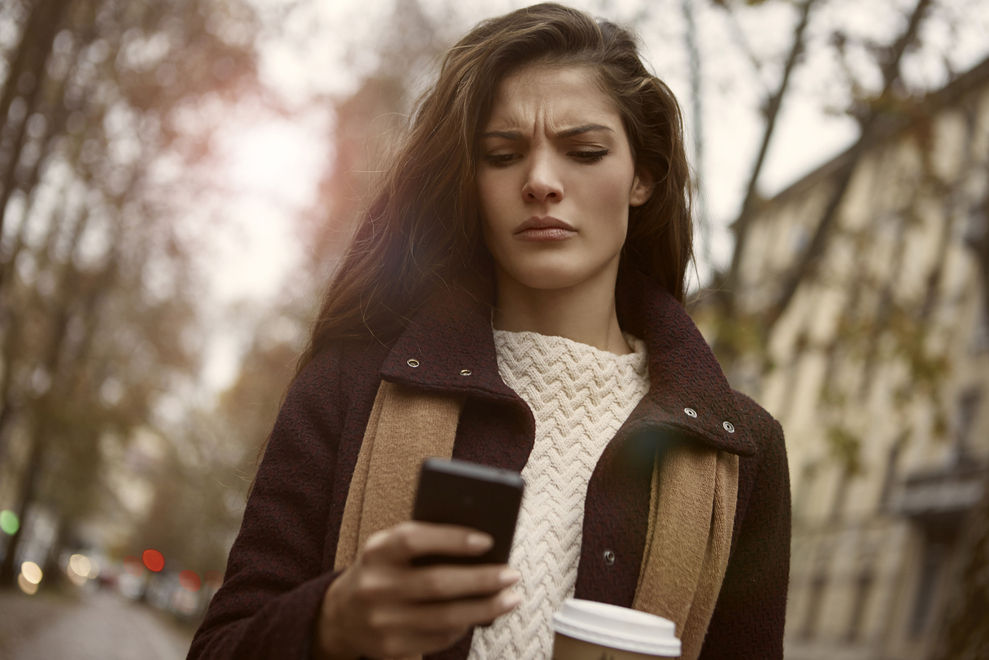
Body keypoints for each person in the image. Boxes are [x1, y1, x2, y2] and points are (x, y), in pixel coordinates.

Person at [187, 3, 790, 659]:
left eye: (583, 151)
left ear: (642, 176)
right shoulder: (347, 387)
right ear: (469, 182)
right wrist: (330, 620)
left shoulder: (741, 454)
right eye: (502, 155)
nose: (539, 182)